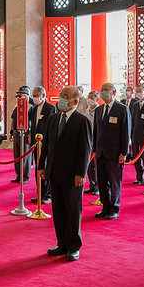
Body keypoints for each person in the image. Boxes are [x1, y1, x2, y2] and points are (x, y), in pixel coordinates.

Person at [38, 86, 92, 262]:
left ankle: (74, 246)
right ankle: (61, 243)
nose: (61, 98)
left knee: (73, 211)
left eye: (65, 96)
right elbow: (46, 145)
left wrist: (81, 173)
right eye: (61, 95)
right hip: (54, 171)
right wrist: (41, 166)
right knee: (58, 210)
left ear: (75, 101)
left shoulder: (81, 121)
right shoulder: (54, 118)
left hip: (72, 175)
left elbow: (85, 150)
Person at [92, 82, 130, 220]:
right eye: (101, 90)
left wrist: (123, 153)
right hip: (100, 152)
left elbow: (126, 131)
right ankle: (105, 206)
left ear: (113, 92)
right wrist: (94, 150)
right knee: (102, 181)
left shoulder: (122, 109)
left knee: (114, 182)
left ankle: (115, 207)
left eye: (106, 90)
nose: (103, 93)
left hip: (115, 153)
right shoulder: (98, 109)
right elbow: (96, 132)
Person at [29, 86, 56, 204]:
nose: (35, 98)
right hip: (36, 143)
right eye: (33, 96)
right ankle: (40, 193)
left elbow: (52, 127)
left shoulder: (51, 108)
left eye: (36, 96)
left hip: (47, 143)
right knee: (38, 167)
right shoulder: (34, 109)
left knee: (46, 167)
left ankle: (48, 194)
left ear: (43, 96)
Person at [10, 85, 32, 182]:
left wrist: (30, 134)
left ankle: (25, 176)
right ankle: (19, 175)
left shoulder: (30, 107)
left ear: (26, 96)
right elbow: (12, 119)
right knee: (17, 155)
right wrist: (11, 132)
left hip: (26, 134)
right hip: (16, 133)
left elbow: (32, 123)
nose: (18, 98)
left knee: (25, 155)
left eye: (21, 96)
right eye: (18, 96)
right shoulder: (16, 106)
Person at [84, 90, 100, 195]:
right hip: (88, 139)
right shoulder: (87, 110)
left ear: (97, 99)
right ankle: (92, 184)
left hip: (97, 139)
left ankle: (98, 187)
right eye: (89, 97)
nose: (90, 99)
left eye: (92, 98)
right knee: (89, 164)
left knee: (97, 165)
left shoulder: (99, 110)